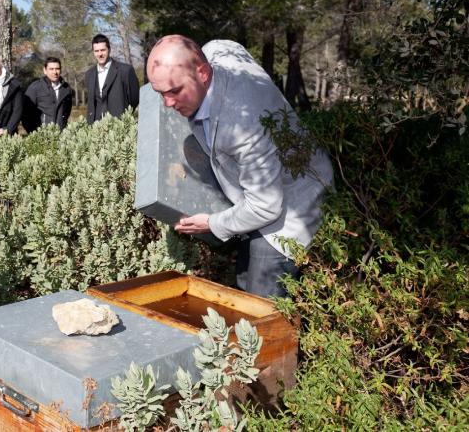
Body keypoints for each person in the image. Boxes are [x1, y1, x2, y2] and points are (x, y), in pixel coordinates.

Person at [145, 35, 334, 298]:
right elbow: (227, 44)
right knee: (244, 281)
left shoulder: (245, 126)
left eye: (174, 91)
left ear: (202, 72)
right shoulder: (215, 53)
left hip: (289, 210)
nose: (167, 103)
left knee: (261, 305)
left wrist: (211, 223)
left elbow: (266, 207)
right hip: (259, 192)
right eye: (160, 93)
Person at [85, 33, 139, 124]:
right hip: (95, 129)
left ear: (109, 50)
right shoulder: (89, 74)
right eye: (96, 51)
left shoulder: (125, 70)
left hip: (119, 126)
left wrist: (123, 115)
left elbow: (135, 98)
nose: (100, 54)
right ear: (93, 52)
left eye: (103, 50)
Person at [23, 56, 73, 131]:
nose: (55, 72)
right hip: (42, 134)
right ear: (45, 70)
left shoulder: (66, 89)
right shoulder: (35, 88)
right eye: (51, 69)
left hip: (61, 134)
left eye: (57, 69)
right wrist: (34, 133)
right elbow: (26, 114)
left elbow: (67, 112)